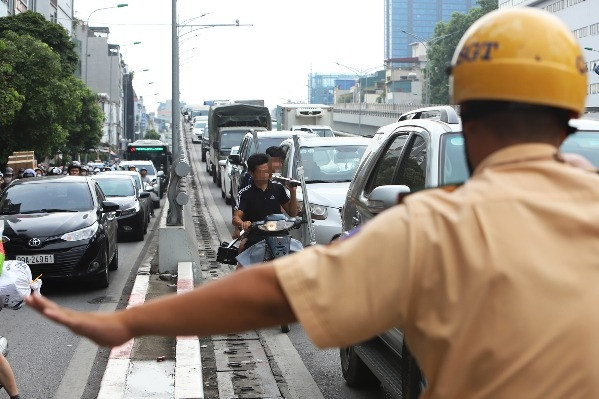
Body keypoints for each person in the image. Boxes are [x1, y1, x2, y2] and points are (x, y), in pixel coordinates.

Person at [25, 8, 599, 398]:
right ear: (572, 113)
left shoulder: (437, 229)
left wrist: (125, 323)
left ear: (465, 116)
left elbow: (271, 292)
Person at [232, 153, 298, 253]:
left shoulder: (278, 188)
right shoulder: (245, 193)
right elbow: (236, 218)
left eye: (267, 171)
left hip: (280, 235)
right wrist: (243, 224)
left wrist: (293, 192)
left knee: (298, 253)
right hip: (256, 237)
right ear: (252, 173)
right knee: (243, 258)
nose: (265, 175)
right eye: (261, 172)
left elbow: (292, 213)